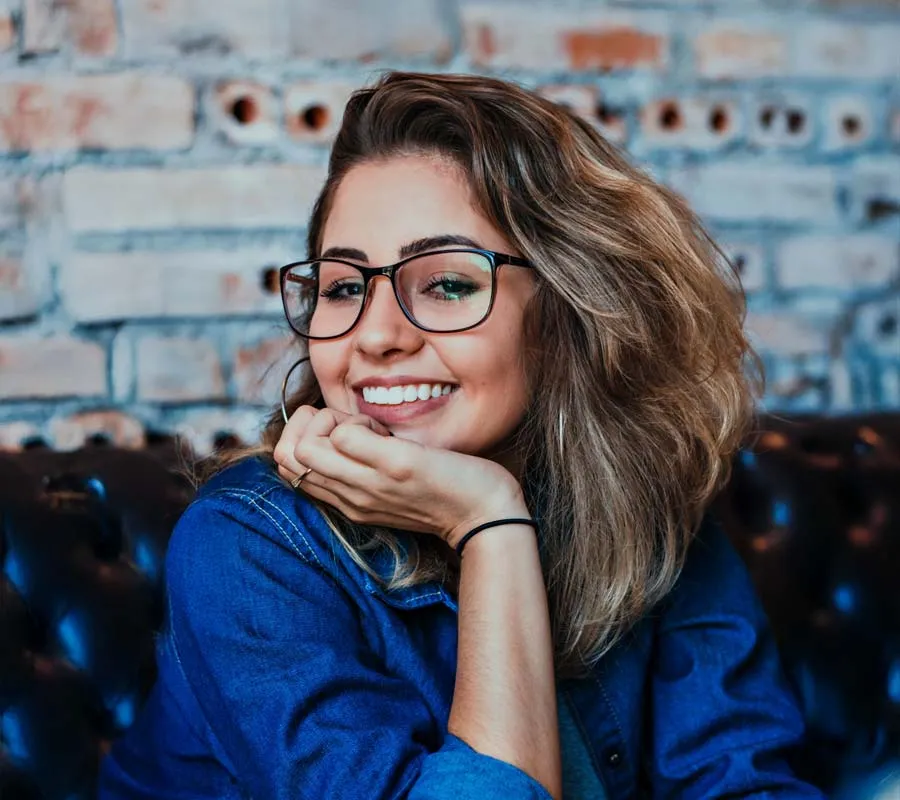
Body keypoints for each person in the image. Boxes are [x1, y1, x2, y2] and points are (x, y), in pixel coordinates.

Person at [99, 71, 825, 799]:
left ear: (567, 313)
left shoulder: (646, 495)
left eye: (447, 284)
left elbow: (740, 781)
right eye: (345, 287)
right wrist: (491, 525)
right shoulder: (247, 546)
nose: (376, 335)